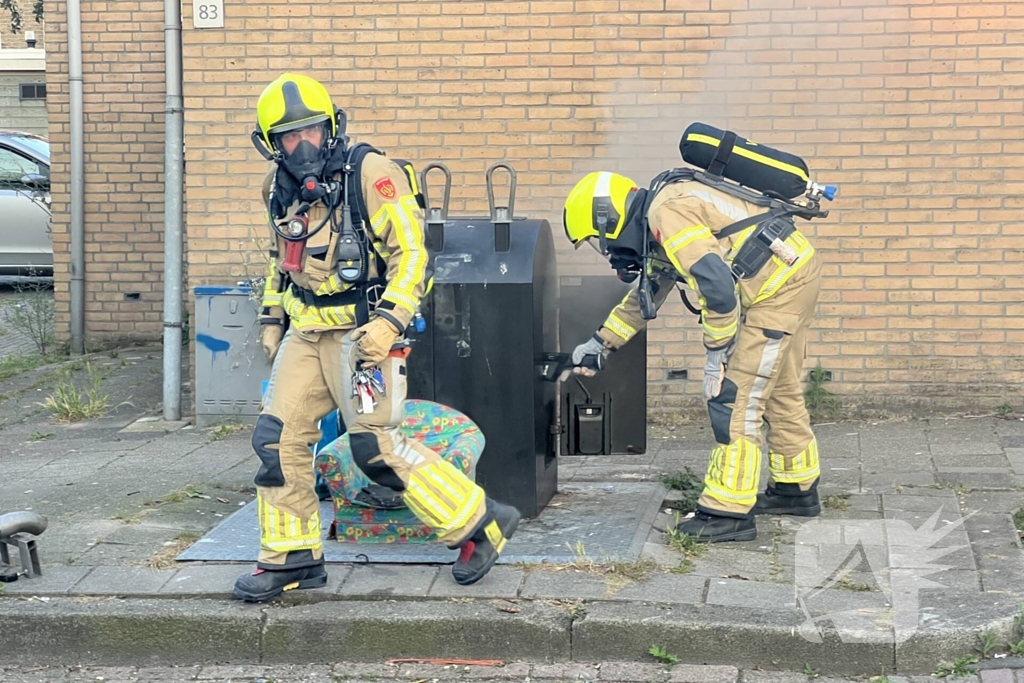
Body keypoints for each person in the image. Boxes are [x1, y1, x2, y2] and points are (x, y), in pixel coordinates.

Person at [233, 73, 519, 601]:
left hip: (365, 336)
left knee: (374, 447)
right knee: (275, 440)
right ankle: (291, 559)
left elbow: (413, 254)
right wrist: (273, 320)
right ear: (272, 144)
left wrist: (389, 321)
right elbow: (282, 261)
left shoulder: (372, 173)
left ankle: (481, 522)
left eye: (312, 131)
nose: (303, 145)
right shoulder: (278, 190)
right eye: (290, 137)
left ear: (332, 126)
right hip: (308, 335)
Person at [559, 130, 831, 543]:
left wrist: (717, 355)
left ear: (606, 218)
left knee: (736, 397)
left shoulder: (667, 213)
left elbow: (718, 290)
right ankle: (796, 489)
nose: (607, 249)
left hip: (777, 290)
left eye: (599, 240)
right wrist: (601, 343)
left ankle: (728, 513)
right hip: (793, 275)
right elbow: (650, 292)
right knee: (779, 389)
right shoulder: (663, 209)